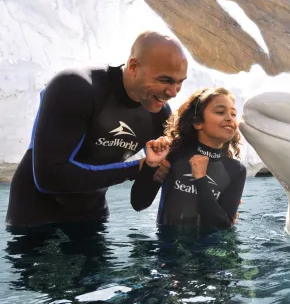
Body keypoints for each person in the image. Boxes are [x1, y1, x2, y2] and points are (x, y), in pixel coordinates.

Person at [6, 30, 188, 230]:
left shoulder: (159, 113)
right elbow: (49, 177)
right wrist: (134, 169)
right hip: (34, 215)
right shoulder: (76, 86)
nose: (172, 92)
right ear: (134, 66)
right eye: (165, 80)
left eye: (179, 82)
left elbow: (140, 202)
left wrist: (152, 170)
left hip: (92, 217)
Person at [130, 87, 246, 230]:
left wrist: (201, 179)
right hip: (168, 249)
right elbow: (139, 204)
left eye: (233, 114)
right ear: (198, 122)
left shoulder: (236, 170)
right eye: (220, 112)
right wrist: (150, 166)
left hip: (209, 250)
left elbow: (223, 225)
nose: (229, 118)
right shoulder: (174, 155)